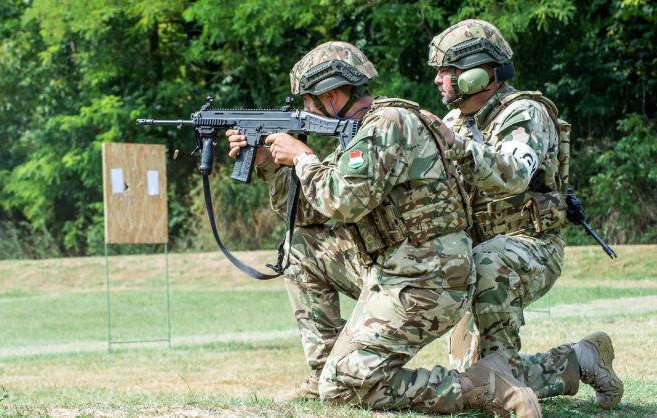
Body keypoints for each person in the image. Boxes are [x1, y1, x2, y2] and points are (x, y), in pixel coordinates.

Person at [227, 41, 540, 417]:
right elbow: (307, 214)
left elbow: (341, 201)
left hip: (429, 276)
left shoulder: (387, 125)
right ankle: (325, 370)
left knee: (343, 388)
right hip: (394, 267)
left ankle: (481, 385)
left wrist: (303, 157)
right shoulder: (362, 134)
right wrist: (269, 165)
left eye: (310, 100)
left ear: (333, 95)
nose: (305, 110)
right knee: (302, 248)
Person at [428, 19, 623, 408]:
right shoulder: (455, 122)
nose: (437, 80)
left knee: (488, 264)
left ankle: (507, 386)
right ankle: (579, 359)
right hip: (475, 253)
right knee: (472, 378)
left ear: (479, 73)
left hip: (530, 247)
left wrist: (456, 147)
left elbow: (515, 173)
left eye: (446, 70)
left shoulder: (525, 113)